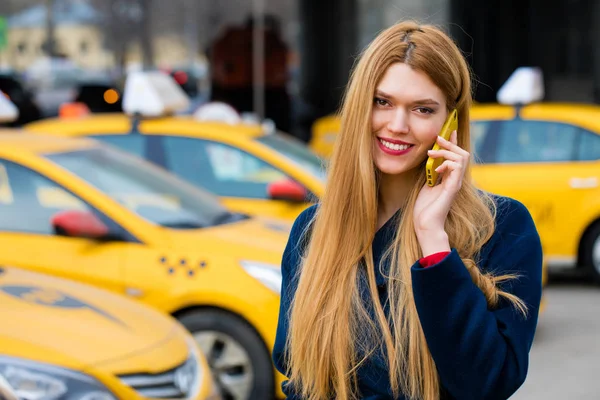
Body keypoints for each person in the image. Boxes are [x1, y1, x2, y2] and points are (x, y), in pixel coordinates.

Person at [272, 20, 543, 400]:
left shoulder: (502, 228)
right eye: (382, 102)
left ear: (450, 121)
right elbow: (297, 372)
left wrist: (433, 240)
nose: (397, 125)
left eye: (422, 109)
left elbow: (487, 383)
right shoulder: (312, 230)